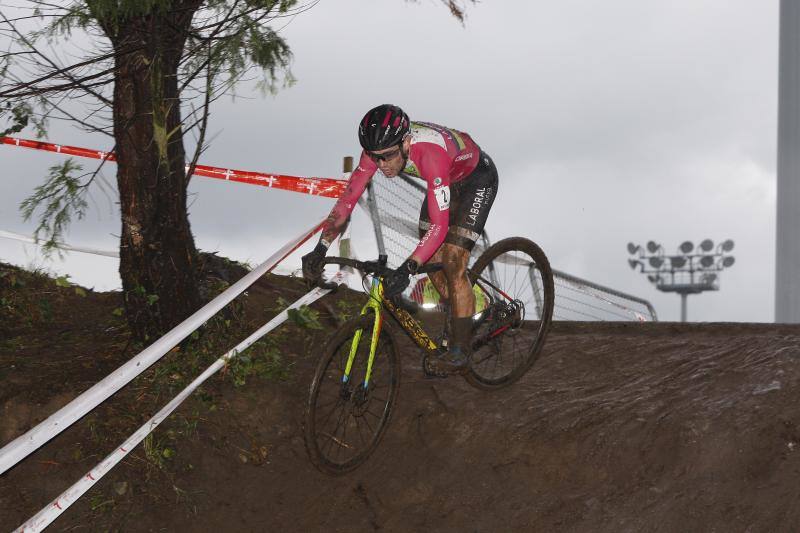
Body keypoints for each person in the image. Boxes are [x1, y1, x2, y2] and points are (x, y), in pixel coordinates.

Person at [302, 104, 498, 374]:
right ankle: (464, 313)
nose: (382, 165)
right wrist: (320, 248)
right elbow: (347, 201)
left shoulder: (428, 154)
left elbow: (439, 229)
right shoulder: (377, 151)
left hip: (476, 180)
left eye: (388, 157)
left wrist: (409, 267)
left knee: (453, 260)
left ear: (405, 142)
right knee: (433, 263)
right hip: (444, 182)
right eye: (376, 158)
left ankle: (460, 351)